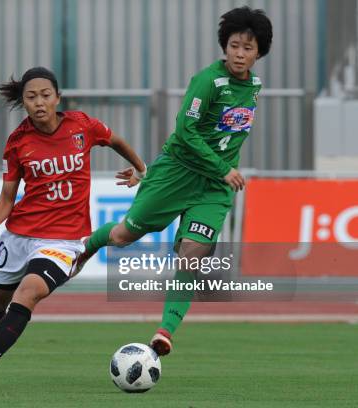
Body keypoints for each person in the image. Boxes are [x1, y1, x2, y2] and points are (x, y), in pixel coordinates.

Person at [75, 6, 273, 356]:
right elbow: (186, 131)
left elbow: (231, 134)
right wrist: (221, 166)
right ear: (223, 46)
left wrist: (223, 171)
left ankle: (165, 330)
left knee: (191, 256)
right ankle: (88, 245)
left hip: (213, 189)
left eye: (248, 48)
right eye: (234, 46)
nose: (240, 53)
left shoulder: (255, 86)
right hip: (177, 173)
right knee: (123, 236)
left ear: (259, 52)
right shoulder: (207, 81)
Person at [0, 67, 147, 384]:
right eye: (31, 97)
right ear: (23, 102)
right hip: (20, 235)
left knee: (29, 291)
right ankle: (4, 324)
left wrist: (139, 168)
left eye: (46, 95)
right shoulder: (18, 141)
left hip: (64, 240)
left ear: (57, 98)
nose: (39, 102)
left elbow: (115, 139)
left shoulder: (82, 125)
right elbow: (7, 196)